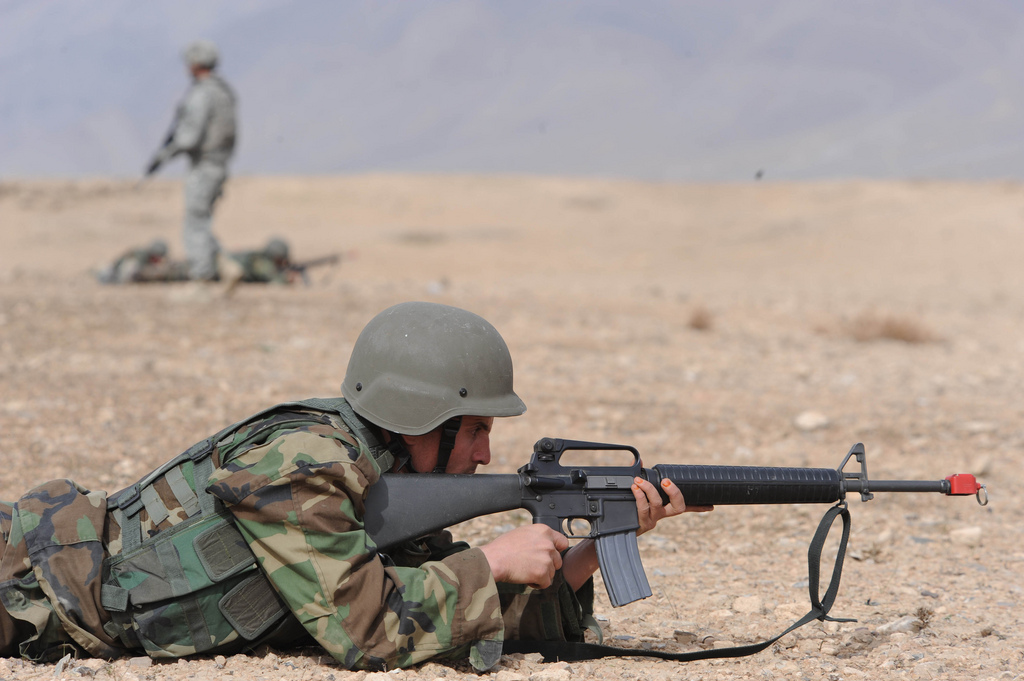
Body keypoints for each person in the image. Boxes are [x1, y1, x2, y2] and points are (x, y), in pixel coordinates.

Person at [0, 302, 704, 669]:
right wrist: (489, 560)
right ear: (422, 419)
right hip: (27, 586)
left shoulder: (384, 483)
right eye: (476, 429)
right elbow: (368, 629)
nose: (488, 454)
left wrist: (586, 553)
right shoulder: (304, 467)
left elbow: (442, 619)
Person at [145, 40, 238, 283]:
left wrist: (164, 155)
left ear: (196, 63)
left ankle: (201, 280)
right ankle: (228, 267)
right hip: (220, 164)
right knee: (202, 221)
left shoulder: (202, 94)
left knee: (194, 223)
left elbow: (188, 137)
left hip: (205, 165)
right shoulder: (223, 92)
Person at [93, 239, 189, 284]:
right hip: (113, 273)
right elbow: (127, 276)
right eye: (157, 257)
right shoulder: (138, 259)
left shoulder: (147, 260)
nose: (159, 260)